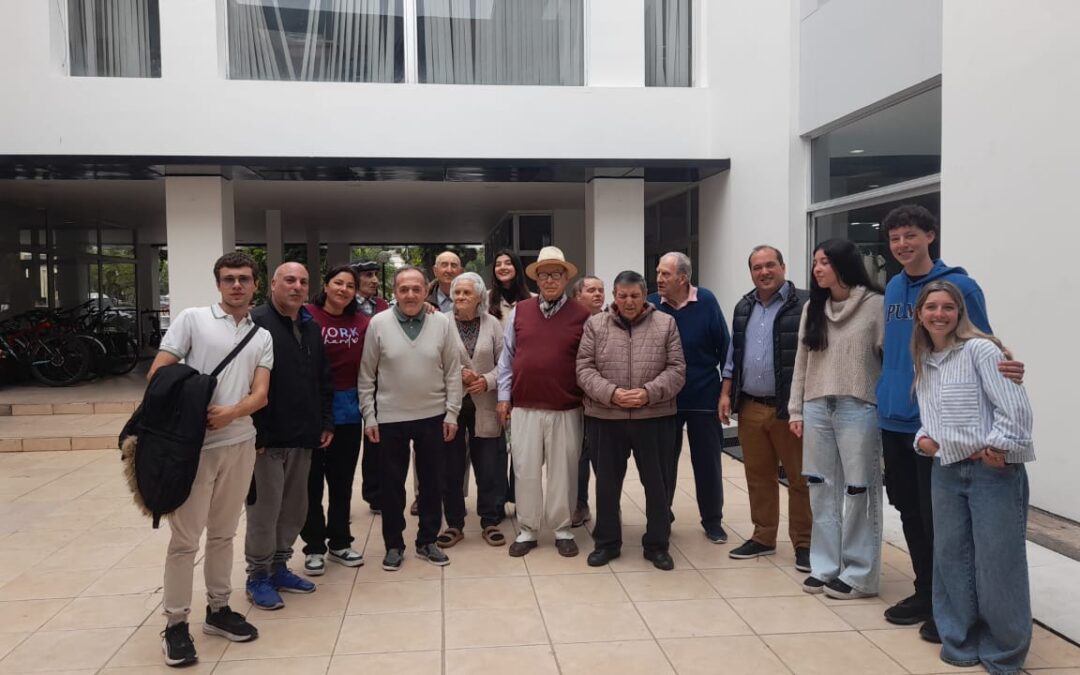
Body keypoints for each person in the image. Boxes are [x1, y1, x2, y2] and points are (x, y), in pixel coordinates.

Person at [876, 204, 1024, 641]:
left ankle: (954, 604)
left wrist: (1010, 368)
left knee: (943, 521)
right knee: (907, 509)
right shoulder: (894, 288)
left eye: (910, 235)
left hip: (938, 429)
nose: (902, 244)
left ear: (930, 236)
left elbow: (985, 342)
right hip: (894, 419)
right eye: (895, 238)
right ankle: (927, 591)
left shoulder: (959, 286)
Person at [151, 251, 273, 667]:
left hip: (240, 443)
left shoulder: (261, 335)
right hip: (193, 449)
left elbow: (261, 394)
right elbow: (159, 374)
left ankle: (218, 609)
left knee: (223, 534)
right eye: (228, 279)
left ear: (256, 284)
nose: (236, 285)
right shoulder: (192, 320)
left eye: (243, 278)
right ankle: (175, 623)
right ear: (218, 284)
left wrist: (232, 413)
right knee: (185, 540)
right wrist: (193, 405)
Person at [911, 281, 1034, 674]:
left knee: (998, 563)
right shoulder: (925, 358)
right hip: (946, 470)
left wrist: (998, 447)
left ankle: (1002, 652)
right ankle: (960, 641)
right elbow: (932, 418)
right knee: (951, 559)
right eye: (931, 307)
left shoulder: (981, 350)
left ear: (960, 313)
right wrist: (924, 442)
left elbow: (1015, 407)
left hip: (989, 473)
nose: (939, 314)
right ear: (919, 314)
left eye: (948, 307)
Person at [788, 238, 884, 600]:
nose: (817, 268)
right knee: (820, 488)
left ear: (843, 264)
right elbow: (802, 362)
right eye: (814, 262)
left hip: (858, 406)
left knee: (859, 489)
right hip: (816, 406)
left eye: (824, 261)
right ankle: (825, 566)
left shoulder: (876, 305)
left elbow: (890, 360)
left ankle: (860, 573)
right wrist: (796, 410)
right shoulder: (813, 307)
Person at [578, 271, 685, 571]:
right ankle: (607, 542)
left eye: (635, 296)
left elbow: (677, 369)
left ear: (645, 295)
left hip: (654, 416)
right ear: (614, 295)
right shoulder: (595, 325)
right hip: (606, 416)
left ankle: (657, 544)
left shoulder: (666, 324)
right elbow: (584, 369)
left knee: (657, 484)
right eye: (622, 296)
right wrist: (612, 394)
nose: (628, 301)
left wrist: (647, 394)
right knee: (607, 484)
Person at [359, 266, 463, 570]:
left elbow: (453, 372)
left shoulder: (441, 322)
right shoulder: (378, 323)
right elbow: (366, 376)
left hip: (433, 415)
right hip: (390, 418)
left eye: (416, 288)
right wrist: (370, 416)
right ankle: (394, 544)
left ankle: (427, 541)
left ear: (426, 291)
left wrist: (453, 412)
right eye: (403, 289)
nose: (410, 294)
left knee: (432, 483)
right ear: (394, 292)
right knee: (391, 486)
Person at [245, 263, 334, 610]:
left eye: (303, 281)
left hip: (304, 436)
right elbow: (244, 383)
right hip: (266, 440)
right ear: (272, 285)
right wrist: (256, 432)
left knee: (295, 508)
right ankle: (258, 575)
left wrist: (325, 422)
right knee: (264, 511)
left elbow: (322, 379)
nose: (297, 287)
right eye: (290, 281)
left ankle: (280, 566)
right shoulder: (255, 324)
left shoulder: (309, 327)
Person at [719, 246, 812, 573]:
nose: (764, 272)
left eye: (770, 265)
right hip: (751, 406)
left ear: (783, 266)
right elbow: (735, 352)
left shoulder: (806, 304)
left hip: (790, 409)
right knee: (758, 476)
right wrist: (726, 391)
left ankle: (805, 543)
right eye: (757, 267)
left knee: (799, 478)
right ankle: (763, 536)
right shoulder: (744, 306)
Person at [497, 246, 591, 557]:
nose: (550, 279)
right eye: (544, 274)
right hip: (524, 406)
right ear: (536, 279)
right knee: (525, 469)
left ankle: (562, 528)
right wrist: (503, 397)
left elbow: (589, 361)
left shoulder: (581, 315)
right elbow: (507, 357)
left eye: (556, 274)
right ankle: (527, 530)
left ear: (566, 278)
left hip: (567, 406)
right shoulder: (520, 311)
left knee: (563, 471)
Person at [648, 252, 730, 544]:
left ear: (683, 278)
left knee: (707, 461)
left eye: (665, 274)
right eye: (658, 272)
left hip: (703, 395)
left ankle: (712, 520)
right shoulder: (652, 305)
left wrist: (726, 392)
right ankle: (662, 515)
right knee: (663, 463)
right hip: (664, 399)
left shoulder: (706, 301)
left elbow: (726, 348)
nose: (658, 278)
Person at [301, 265, 370, 576]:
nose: (343, 289)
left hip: (349, 410)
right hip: (312, 409)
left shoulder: (363, 322)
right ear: (326, 285)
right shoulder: (306, 315)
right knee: (310, 483)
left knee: (341, 482)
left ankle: (340, 541)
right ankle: (313, 546)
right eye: (338, 283)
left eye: (350, 285)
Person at [439, 272, 506, 548]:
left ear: (479, 296)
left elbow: (505, 363)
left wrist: (485, 380)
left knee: (488, 466)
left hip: (485, 403)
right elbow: (433, 362)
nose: (461, 298)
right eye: (457, 293)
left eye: (467, 293)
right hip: (452, 405)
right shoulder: (441, 323)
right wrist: (461, 376)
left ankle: (489, 521)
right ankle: (454, 523)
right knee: (450, 466)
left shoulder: (492, 324)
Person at [488, 249, 534, 517]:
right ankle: (496, 499)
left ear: (517, 267)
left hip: (523, 381)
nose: (503, 267)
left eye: (508, 263)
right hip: (493, 381)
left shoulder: (532, 301)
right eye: (498, 264)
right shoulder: (485, 300)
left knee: (520, 445)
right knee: (496, 446)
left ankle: (519, 498)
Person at [352, 260, 391, 515]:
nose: (375, 280)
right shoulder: (346, 304)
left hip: (380, 379)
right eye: (368, 275)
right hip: (350, 378)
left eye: (376, 275)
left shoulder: (382, 305)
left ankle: (377, 492)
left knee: (376, 436)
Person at [569, 275, 605, 528]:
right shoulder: (570, 323)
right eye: (591, 290)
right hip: (575, 400)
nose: (598, 294)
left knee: (604, 460)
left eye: (601, 290)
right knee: (578, 458)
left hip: (604, 401)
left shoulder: (612, 321)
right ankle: (580, 504)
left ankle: (608, 509)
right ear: (577, 296)